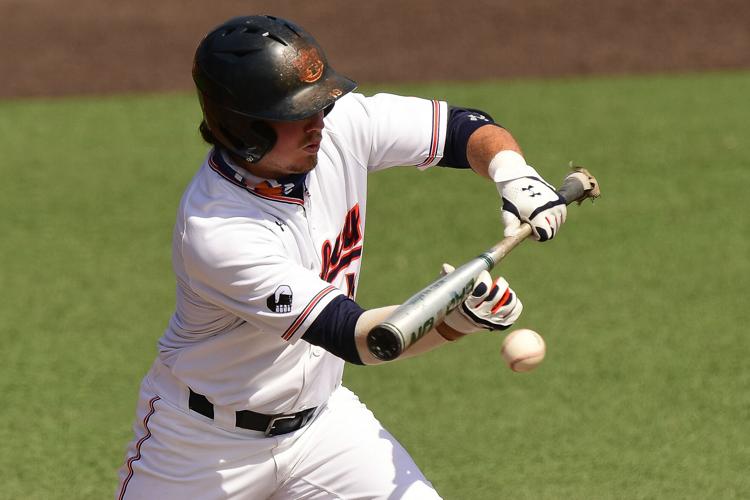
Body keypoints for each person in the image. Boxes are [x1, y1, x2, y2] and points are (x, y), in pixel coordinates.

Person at [116, 14, 567, 500]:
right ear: (244, 127)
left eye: (320, 106)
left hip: (321, 430)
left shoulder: (339, 125)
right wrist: (451, 314)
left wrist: (510, 170)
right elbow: (359, 338)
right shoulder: (218, 231)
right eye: (297, 113)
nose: (318, 123)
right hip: (202, 450)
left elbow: (461, 129)